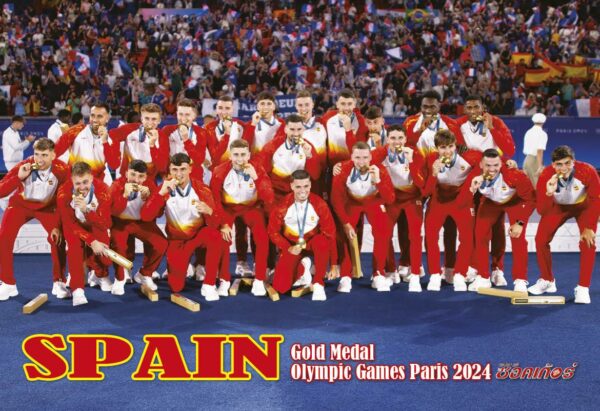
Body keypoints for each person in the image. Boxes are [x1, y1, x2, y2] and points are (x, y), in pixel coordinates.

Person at [140, 153, 226, 301]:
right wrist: (160, 194)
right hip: (177, 241)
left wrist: (210, 212)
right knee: (176, 286)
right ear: (169, 170)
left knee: (214, 235)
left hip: (197, 237)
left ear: (190, 169)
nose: (178, 174)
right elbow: (146, 216)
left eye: (183, 169)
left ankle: (209, 284)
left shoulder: (202, 189)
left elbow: (214, 224)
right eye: (174, 169)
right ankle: (185, 265)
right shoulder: (164, 189)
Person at [457, 94, 517, 283]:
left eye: (476, 107)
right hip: (468, 181)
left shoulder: (496, 122)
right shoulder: (458, 125)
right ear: (464, 109)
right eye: (469, 107)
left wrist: (491, 128)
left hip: (493, 180)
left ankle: (497, 268)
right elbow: (456, 150)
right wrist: (477, 159)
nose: (473, 111)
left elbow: (510, 149)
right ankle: (474, 265)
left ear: (483, 108)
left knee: (497, 227)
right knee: (471, 226)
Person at [403, 90, 463, 278]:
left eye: (432, 106)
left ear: (439, 106)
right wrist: (420, 132)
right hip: (421, 181)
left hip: (446, 180)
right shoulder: (410, 122)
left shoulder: (451, 124)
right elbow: (406, 148)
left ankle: (450, 267)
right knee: (413, 226)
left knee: (450, 227)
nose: (428, 110)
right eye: (425, 106)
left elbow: (460, 149)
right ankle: (412, 264)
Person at [0, 138, 69, 301]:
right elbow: (1, 191)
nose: (39, 160)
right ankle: (8, 284)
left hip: (48, 208)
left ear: (53, 155)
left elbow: (64, 201)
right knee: (3, 237)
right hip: (20, 206)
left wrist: (58, 225)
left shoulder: (62, 170)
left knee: (58, 238)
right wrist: (18, 177)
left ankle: (59, 281)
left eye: (44, 155)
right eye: (37, 154)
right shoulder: (24, 165)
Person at [529, 146, 599, 304]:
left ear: (573, 162)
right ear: (553, 165)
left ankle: (583, 287)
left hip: (583, 207)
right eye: (559, 164)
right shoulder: (546, 175)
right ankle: (547, 280)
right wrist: (549, 192)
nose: (564, 168)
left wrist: (589, 226)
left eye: (567, 163)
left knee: (588, 242)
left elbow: (595, 199)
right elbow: (541, 210)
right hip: (558, 208)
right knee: (540, 240)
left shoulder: (587, 171)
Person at [210, 139, 274, 297]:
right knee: (223, 238)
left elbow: (269, 197)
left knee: (262, 237)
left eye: (243, 155)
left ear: (249, 155)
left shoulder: (257, 169)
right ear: (230, 156)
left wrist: (256, 178)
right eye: (236, 155)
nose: (240, 159)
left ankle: (259, 278)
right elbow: (215, 200)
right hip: (228, 209)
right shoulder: (219, 171)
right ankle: (224, 279)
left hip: (251, 208)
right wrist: (222, 224)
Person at [468, 149, 535, 292]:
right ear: (481, 164)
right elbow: (465, 197)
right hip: (491, 202)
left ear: (501, 164)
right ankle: (483, 276)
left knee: (518, 237)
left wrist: (520, 223)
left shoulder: (515, 175)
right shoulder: (472, 174)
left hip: (515, 202)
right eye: (488, 166)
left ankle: (520, 279)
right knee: (480, 234)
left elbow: (531, 200)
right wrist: (471, 191)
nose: (492, 169)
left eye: (496, 165)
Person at [331, 141, 395, 292]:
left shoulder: (380, 170)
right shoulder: (342, 169)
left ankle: (378, 273)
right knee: (346, 234)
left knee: (383, 231)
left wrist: (378, 181)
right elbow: (336, 200)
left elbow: (390, 199)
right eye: (357, 158)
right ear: (351, 157)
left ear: (371, 157)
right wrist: (346, 223)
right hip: (352, 202)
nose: (361, 162)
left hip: (374, 202)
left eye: (365, 158)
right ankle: (346, 276)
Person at [421, 129, 481, 292]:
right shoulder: (430, 160)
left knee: (467, 238)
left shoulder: (470, 157)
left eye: (450, 146)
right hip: (439, 200)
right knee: (430, 236)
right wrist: (434, 174)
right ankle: (434, 274)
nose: (447, 151)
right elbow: (426, 191)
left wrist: (508, 163)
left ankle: (460, 274)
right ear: (436, 148)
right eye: (442, 147)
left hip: (461, 201)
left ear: (455, 146)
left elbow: (493, 160)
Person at [371, 125, 425, 290]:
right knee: (383, 234)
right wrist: (339, 166)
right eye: (393, 138)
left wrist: (412, 163)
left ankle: (415, 273)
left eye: (400, 138)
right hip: (390, 199)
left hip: (412, 198)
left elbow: (421, 184)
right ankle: (386, 271)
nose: (397, 142)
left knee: (415, 236)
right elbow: (359, 163)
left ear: (406, 139)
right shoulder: (378, 154)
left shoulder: (415, 154)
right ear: (387, 139)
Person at [268, 170, 337, 301]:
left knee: (322, 241)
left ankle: (318, 283)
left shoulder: (320, 204)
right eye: (298, 187)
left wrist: (334, 264)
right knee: (280, 287)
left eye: (306, 186)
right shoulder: (282, 205)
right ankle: (305, 267)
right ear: (292, 186)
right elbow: (273, 232)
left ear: (310, 185)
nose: (303, 191)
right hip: (293, 247)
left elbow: (330, 234)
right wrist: (287, 247)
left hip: (312, 244)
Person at [56, 162, 113, 306]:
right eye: (78, 183)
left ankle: (99, 273)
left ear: (92, 178)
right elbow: (69, 223)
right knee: (75, 249)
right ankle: (77, 290)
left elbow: (105, 223)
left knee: (106, 257)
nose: (82, 187)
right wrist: (92, 241)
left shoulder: (103, 191)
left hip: (95, 223)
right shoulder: (63, 193)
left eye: (85, 182)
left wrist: (86, 210)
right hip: (74, 225)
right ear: (72, 181)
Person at [109, 160, 168, 295]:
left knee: (161, 243)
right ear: (126, 173)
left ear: (146, 177)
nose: (136, 180)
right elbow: (113, 211)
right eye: (133, 175)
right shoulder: (116, 185)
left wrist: (150, 199)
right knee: (118, 246)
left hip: (141, 223)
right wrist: (124, 195)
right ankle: (119, 279)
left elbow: (157, 214)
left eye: (141, 176)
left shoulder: (150, 185)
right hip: (120, 222)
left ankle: (145, 273)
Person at [257, 114, 321, 202]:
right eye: (292, 129)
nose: (296, 133)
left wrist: (309, 157)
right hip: (277, 193)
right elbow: (262, 171)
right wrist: (269, 194)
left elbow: (315, 175)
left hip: (298, 193)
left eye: (299, 129)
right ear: (285, 129)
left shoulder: (308, 147)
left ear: (303, 129)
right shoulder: (274, 145)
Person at [54, 103, 121, 182]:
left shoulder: (112, 140)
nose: (95, 120)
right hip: (75, 182)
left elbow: (114, 165)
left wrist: (105, 142)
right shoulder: (76, 131)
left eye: (99, 116)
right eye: (92, 115)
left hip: (97, 183)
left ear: (107, 118)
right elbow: (55, 152)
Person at [108, 103, 169, 181]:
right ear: (142, 118)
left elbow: (162, 167)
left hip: (148, 181)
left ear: (159, 120)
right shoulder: (130, 129)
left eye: (154, 119)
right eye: (147, 118)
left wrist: (152, 145)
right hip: (127, 180)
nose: (150, 122)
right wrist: (117, 158)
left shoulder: (163, 137)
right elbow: (111, 135)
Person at [322, 89, 368, 166]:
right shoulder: (328, 117)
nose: (346, 108)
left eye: (349, 104)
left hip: (353, 167)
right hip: (332, 167)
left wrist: (348, 130)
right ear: (337, 104)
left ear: (354, 104)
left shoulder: (362, 122)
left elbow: (359, 152)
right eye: (343, 104)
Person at [522, 113, 548, 186]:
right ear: (543, 122)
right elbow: (539, 151)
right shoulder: (542, 134)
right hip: (534, 161)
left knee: (529, 186)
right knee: (538, 186)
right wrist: (540, 166)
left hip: (526, 160)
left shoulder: (528, 132)